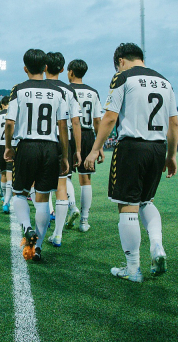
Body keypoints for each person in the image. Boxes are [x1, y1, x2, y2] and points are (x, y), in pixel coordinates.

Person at [85, 42, 178, 284]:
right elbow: (174, 124)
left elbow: (110, 117)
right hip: (158, 148)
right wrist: (171, 156)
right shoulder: (165, 82)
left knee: (128, 206)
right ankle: (157, 245)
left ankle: (133, 268)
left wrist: (95, 149)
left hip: (132, 147)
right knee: (146, 201)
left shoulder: (122, 77)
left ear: (121, 61)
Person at [4, 49, 70, 262]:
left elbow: (9, 123)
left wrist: (8, 147)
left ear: (25, 68)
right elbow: (63, 126)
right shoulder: (58, 91)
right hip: (50, 148)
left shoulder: (19, 90)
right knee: (43, 199)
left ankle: (27, 228)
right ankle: (38, 247)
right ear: (45, 68)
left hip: (27, 146)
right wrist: (65, 156)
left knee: (20, 194)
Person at [43, 52, 82, 248]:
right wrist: (78, 150)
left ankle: (39, 235)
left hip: (40, 141)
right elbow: (75, 121)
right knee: (62, 186)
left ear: (44, 67)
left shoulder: (35, 87)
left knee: (38, 187)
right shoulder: (69, 91)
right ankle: (58, 235)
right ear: (61, 69)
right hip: (63, 139)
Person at [68, 58, 104, 232]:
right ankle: (84, 221)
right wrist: (100, 146)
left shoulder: (66, 90)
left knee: (64, 176)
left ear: (71, 72)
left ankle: (72, 207)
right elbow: (98, 121)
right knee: (86, 179)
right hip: (88, 134)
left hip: (68, 134)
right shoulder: (93, 92)